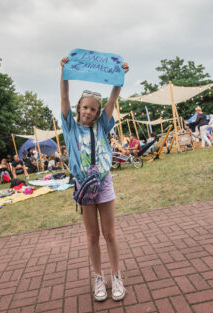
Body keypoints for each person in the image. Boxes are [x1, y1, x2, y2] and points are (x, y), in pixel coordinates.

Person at [60, 56, 128, 302]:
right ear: (79, 108)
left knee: (110, 234)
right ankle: (98, 277)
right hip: (83, 185)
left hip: (104, 182)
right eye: (85, 107)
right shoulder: (70, 127)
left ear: (98, 113)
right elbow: (64, 98)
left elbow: (113, 99)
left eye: (93, 109)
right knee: (92, 236)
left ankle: (116, 276)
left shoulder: (102, 127)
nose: (88, 111)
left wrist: (120, 77)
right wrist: (64, 72)